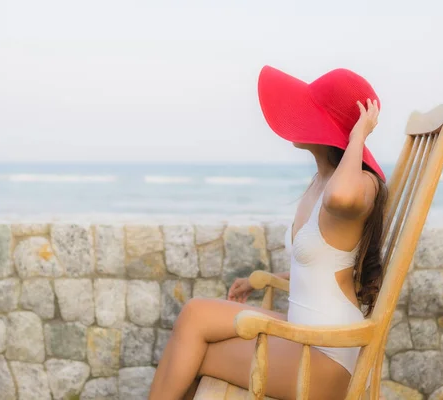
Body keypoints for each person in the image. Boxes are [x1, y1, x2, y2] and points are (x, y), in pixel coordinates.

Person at [148, 65, 388, 400]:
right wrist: (261, 279)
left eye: (309, 113)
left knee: (192, 354)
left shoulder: (361, 185)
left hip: (326, 357)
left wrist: (358, 136)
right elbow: (320, 266)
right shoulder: (321, 180)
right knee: (194, 313)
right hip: (304, 335)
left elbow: (340, 197)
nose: (297, 118)